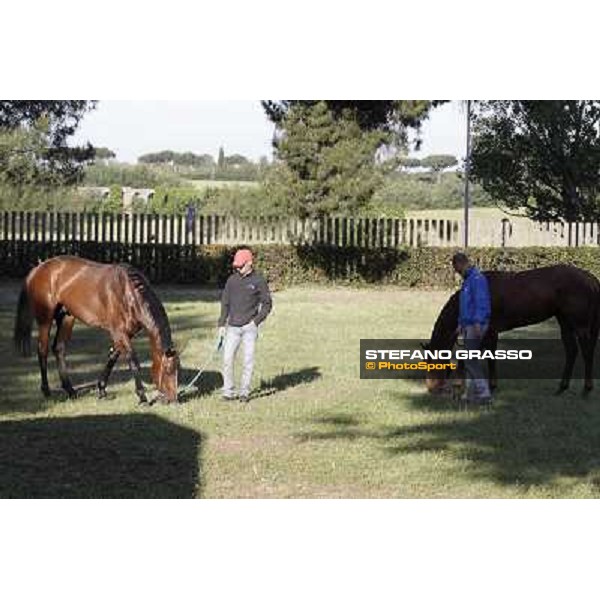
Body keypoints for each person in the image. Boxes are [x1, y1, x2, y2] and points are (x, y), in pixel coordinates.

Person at [218, 248, 272, 402]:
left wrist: (255, 322)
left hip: (249, 328)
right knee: (227, 359)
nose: (238, 268)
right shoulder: (231, 281)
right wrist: (222, 324)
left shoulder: (259, 281)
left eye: (241, 265)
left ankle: (244, 392)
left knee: (248, 360)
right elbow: (225, 303)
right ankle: (228, 392)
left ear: (250, 263)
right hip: (232, 328)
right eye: (236, 266)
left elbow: (267, 304)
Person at [452, 252, 492, 405]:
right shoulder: (468, 281)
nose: (457, 273)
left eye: (457, 269)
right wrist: (461, 324)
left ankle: (483, 393)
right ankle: (470, 394)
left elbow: (481, 302)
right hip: (469, 325)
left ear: (461, 264)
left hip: (477, 325)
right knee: (471, 359)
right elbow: (466, 306)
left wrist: (477, 323)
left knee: (470, 361)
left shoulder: (477, 279)